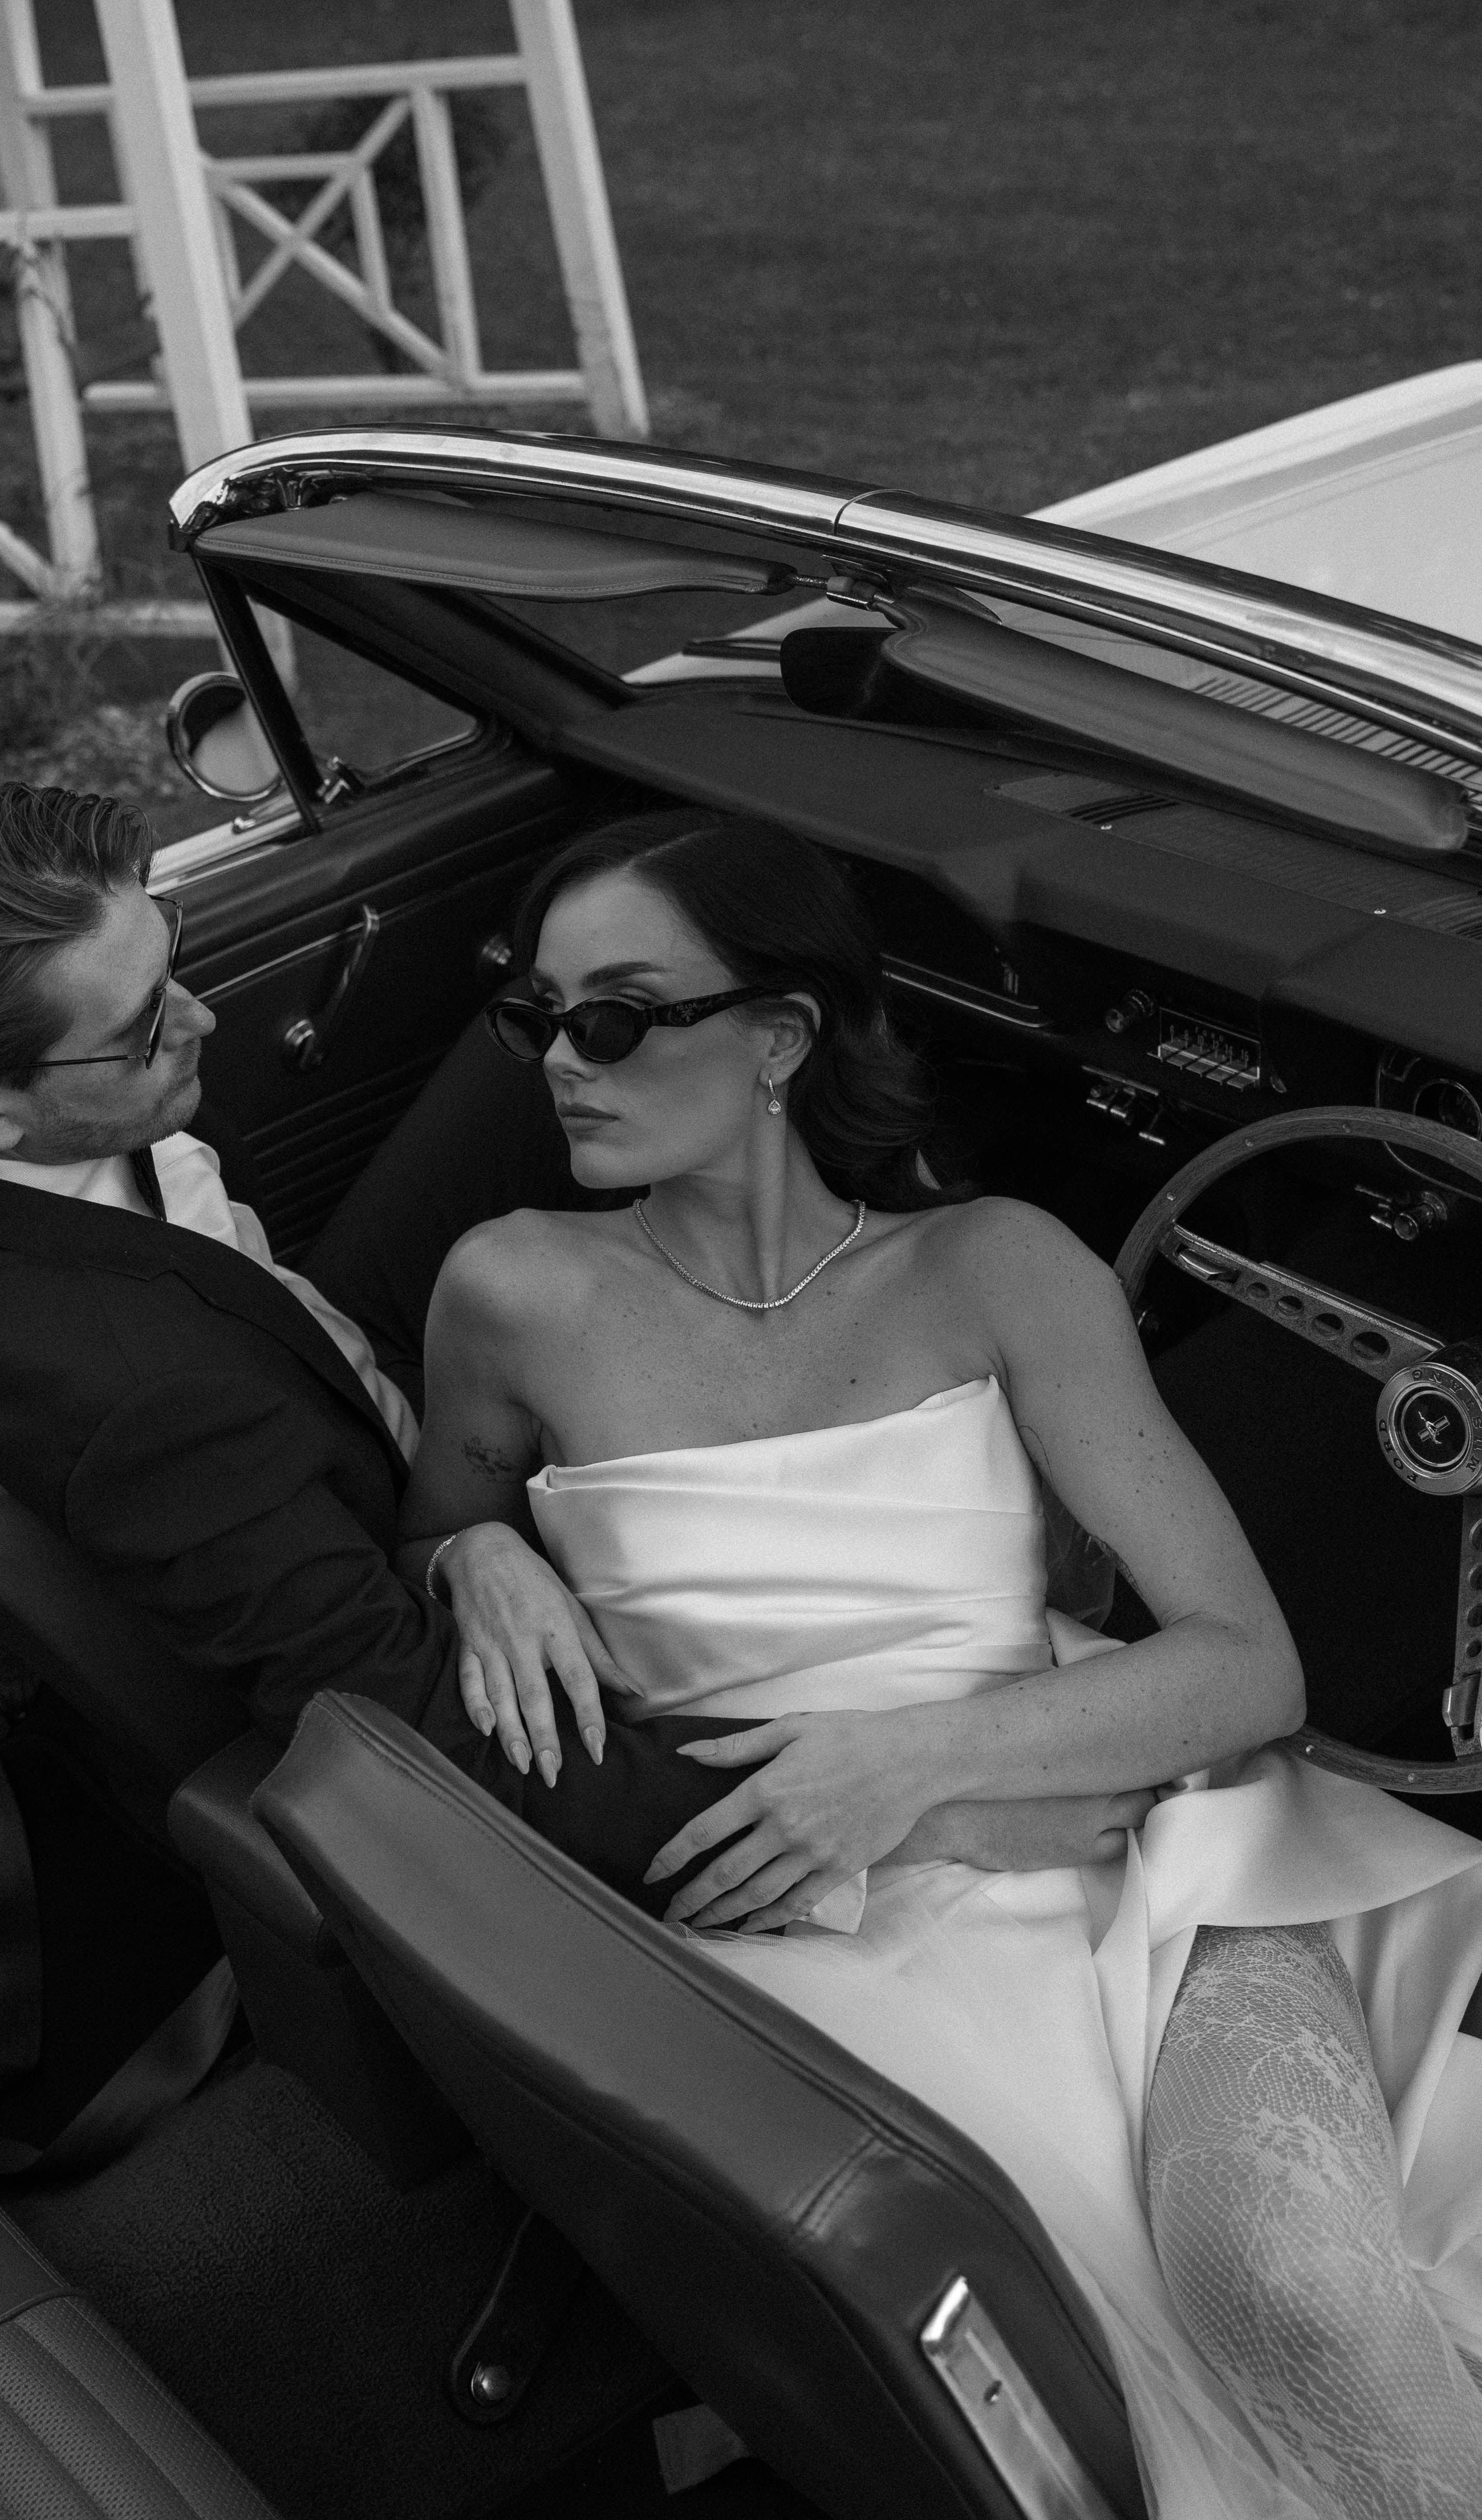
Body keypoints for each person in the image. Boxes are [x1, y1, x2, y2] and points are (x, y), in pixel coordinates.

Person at [401, 805, 1482, 2520]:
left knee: (1305, 2294)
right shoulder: (509, 1291)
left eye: (613, 1016)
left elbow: (1246, 1668)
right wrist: (477, 1553)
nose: (559, 1062)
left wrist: (903, 1765)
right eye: (538, 1015)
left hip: (1122, 1849)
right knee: (1062, 2354)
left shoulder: (998, 1267)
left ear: (779, 1034)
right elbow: (415, 1546)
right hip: (785, 1933)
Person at [0, 772, 1143, 1911]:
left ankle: (874, 1200)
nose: (203, 1015)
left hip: (316, 1331)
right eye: (147, 1025)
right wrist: (918, 1822)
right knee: (625, 1042)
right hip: (362, 1447)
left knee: (584, 1018)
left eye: (174, 954)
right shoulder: (150, 1417)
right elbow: (421, 1732)